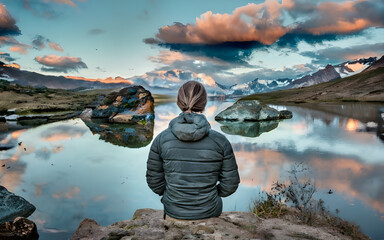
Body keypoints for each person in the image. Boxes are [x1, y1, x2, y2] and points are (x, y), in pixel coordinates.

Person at [146, 80, 240, 220]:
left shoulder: (161, 139)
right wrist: (211, 195)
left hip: (173, 211)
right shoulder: (220, 141)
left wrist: (172, 195)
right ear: (204, 102)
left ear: (179, 102)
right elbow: (230, 184)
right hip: (209, 211)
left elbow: (154, 181)